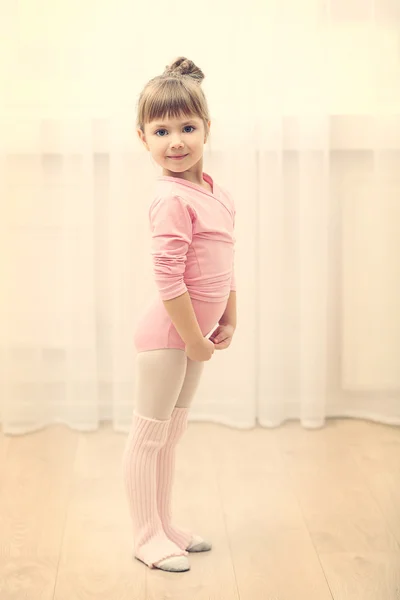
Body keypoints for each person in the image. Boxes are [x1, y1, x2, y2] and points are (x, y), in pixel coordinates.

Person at [122, 56, 237, 573]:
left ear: (206, 129)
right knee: (149, 434)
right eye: (161, 129)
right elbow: (169, 278)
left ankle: (166, 525)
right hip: (169, 336)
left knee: (172, 433)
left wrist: (229, 317)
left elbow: (223, 261)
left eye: (187, 127)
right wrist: (193, 339)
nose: (176, 141)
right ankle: (146, 535)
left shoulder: (214, 192)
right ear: (142, 137)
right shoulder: (169, 198)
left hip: (195, 336)